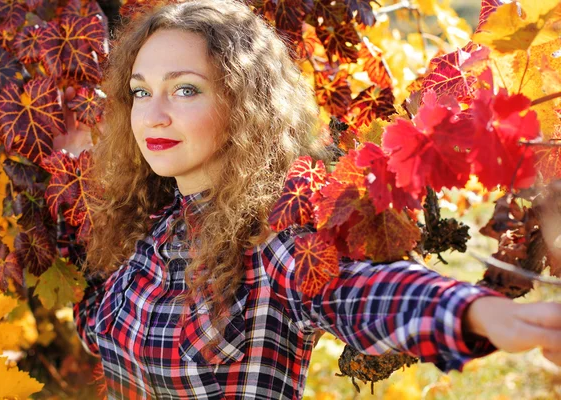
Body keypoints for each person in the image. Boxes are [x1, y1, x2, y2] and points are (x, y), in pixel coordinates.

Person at [55, 0, 561, 398]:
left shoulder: (269, 243)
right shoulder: (149, 232)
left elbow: (361, 293)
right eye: (140, 92)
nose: (152, 115)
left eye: (185, 90)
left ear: (244, 104)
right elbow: (99, 328)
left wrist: (473, 313)